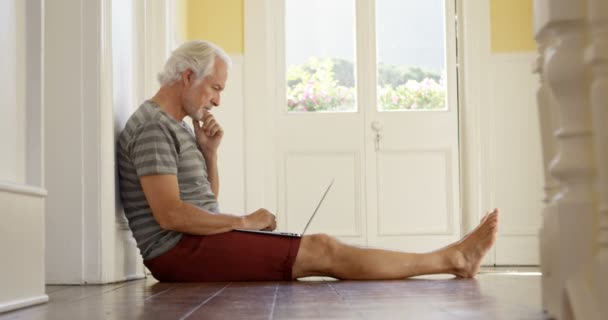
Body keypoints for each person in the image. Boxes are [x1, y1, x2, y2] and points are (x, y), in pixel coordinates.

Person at [117, 40, 498, 282]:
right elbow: (171, 216)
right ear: (187, 76)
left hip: (193, 243)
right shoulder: (153, 127)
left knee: (321, 248)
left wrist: (209, 154)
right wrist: (246, 222)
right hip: (178, 252)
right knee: (322, 250)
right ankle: (453, 259)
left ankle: (450, 257)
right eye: (215, 88)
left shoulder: (178, 127)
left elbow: (202, 202)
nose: (217, 100)